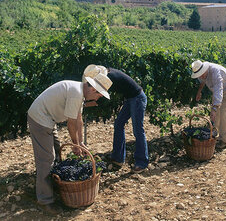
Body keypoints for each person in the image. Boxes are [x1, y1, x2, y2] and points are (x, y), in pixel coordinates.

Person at [27, 73, 112, 214]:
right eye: (99, 95)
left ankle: (55, 187)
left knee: (56, 154)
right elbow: (71, 123)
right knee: (46, 159)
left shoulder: (79, 91)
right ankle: (45, 201)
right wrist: (74, 144)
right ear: (93, 90)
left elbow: (78, 120)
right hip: (40, 119)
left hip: (48, 118)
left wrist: (81, 143)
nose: (98, 98)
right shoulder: (76, 93)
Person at [83, 65, 149, 173]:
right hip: (130, 98)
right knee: (118, 124)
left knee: (138, 130)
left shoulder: (108, 79)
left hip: (137, 98)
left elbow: (99, 99)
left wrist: (83, 104)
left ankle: (141, 162)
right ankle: (118, 158)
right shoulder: (107, 73)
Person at [192, 60, 226, 149]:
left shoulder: (215, 72)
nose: (201, 76)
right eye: (199, 75)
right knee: (215, 116)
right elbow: (202, 81)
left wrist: (215, 108)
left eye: (201, 74)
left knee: (224, 114)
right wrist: (199, 91)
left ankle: (223, 141)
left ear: (205, 69)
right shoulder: (201, 71)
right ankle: (214, 136)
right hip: (218, 90)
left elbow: (218, 89)